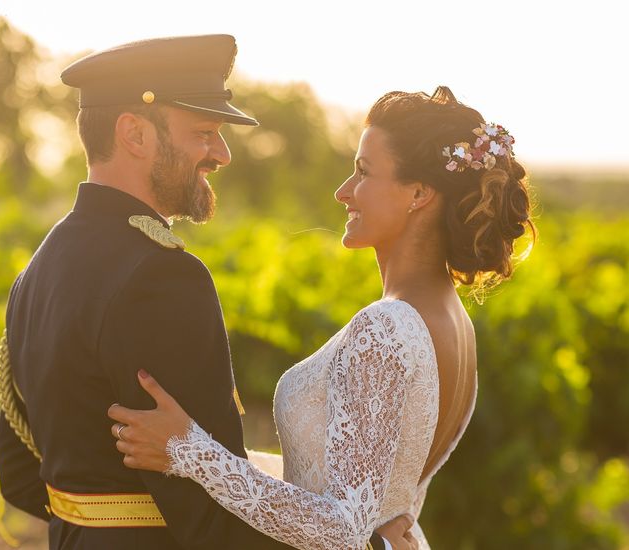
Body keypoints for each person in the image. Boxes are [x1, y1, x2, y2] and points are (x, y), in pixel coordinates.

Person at [0, 34, 408, 550]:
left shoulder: (37, 269)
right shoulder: (162, 277)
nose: (223, 154)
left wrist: (96, 522)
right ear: (134, 134)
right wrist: (364, 545)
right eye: (205, 132)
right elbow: (214, 523)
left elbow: (19, 476)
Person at [106, 85, 538, 549]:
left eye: (363, 172)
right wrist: (221, 453)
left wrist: (190, 450)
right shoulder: (455, 323)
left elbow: (341, 528)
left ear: (418, 193)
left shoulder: (387, 328)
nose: (343, 191)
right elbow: (356, 494)